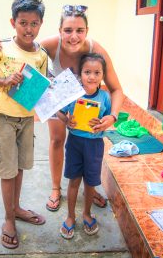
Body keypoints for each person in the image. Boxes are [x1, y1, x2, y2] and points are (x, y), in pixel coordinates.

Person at [0, 4, 124, 211]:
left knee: (87, 146)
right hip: (58, 100)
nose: (74, 37)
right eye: (68, 30)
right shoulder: (50, 45)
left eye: (80, 31)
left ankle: (90, 188)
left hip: (87, 105)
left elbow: (117, 89)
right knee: (58, 139)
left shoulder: (96, 51)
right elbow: (22, 44)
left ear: (87, 31)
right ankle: (55, 187)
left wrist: (112, 117)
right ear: (60, 31)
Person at [0, 0, 48, 249]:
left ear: (41, 24)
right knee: (7, 169)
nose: (29, 29)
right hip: (4, 116)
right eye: (23, 22)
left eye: (34, 23)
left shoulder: (41, 54)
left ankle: (16, 208)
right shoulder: (1, 48)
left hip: (26, 118)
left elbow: (42, 85)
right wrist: (5, 81)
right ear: (13, 22)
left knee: (18, 167)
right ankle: (8, 218)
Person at [57, 53, 112, 239]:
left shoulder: (105, 97)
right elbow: (60, 111)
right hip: (74, 143)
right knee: (73, 180)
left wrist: (104, 122)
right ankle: (70, 216)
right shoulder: (74, 95)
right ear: (80, 74)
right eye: (87, 72)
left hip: (95, 145)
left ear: (102, 75)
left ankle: (87, 213)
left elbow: (110, 117)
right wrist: (67, 121)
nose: (92, 76)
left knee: (90, 183)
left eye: (97, 72)